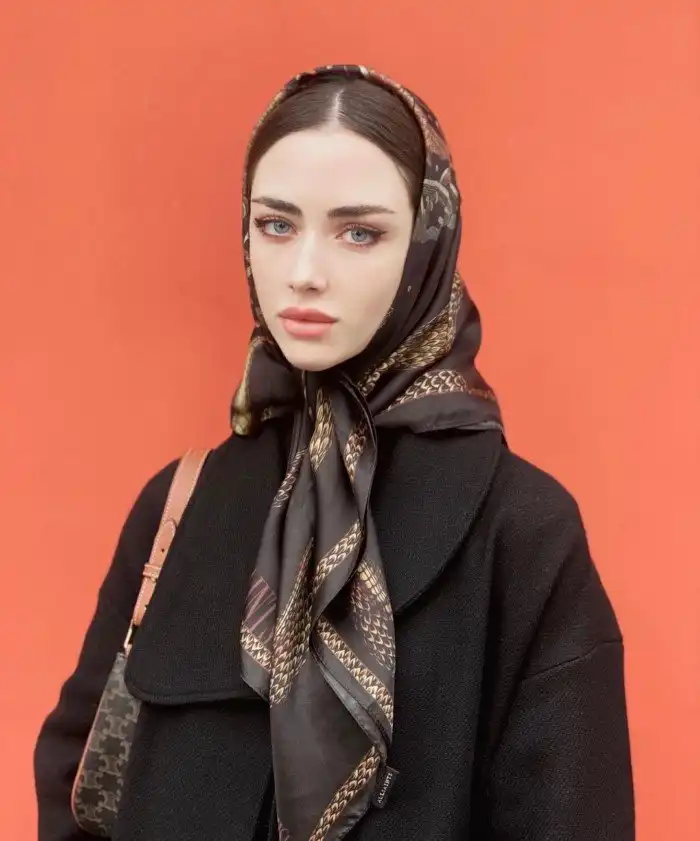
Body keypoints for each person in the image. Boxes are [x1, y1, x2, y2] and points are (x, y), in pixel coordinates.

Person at [34, 64, 635, 841]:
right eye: (276, 225)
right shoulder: (181, 503)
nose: (305, 273)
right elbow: (74, 781)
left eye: (360, 232)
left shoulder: (520, 531)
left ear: (427, 242)